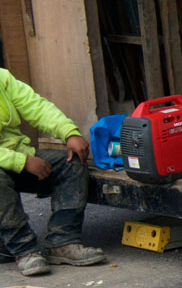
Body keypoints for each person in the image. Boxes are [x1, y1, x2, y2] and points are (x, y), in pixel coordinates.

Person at [0, 68, 106, 276]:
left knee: (71, 163)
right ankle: (24, 251)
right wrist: (22, 162)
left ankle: (63, 242)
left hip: (17, 155)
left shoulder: (2, 78)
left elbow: (37, 107)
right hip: (13, 161)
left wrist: (69, 133)